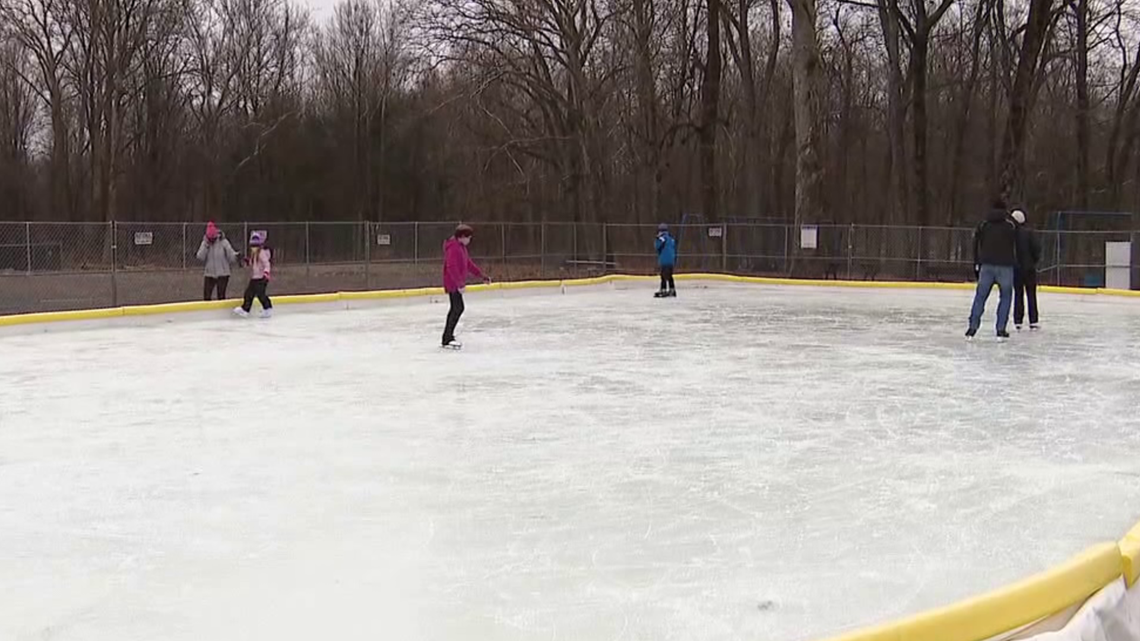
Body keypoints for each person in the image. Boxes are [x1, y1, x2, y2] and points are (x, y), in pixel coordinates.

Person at [966, 203, 1019, 339]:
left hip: (987, 264)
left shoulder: (984, 225)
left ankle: (973, 326)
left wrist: (977, 262)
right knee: (1005, 297)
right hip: (1005, 265)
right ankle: (1001, 328)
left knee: (980, 297)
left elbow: (977, 244)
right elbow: (1016, 244)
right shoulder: (1010, 226)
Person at [442, 224, 490, 349]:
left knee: (457, 308)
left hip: (456, 283)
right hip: (452, 283)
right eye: (468, 237)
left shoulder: (461, 247)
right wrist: (459, 284)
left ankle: (447, 337)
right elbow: (451, 267)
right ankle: (447, 338)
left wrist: (481, 276)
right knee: (457, 308)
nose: (470, 240)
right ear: (462, 237)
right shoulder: (453, 248)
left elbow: (468, 264)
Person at [1011, 209, 1042, 330]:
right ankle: (1033, 320)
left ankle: (1018, 319)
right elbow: (1036, 249)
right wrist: (1033, 261)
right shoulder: (1030, 233)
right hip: (1029, 268)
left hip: (1016, 268)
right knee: (1031, 294)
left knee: (1018, 294)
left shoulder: (1012, 234)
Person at [233, 231, 273, 318]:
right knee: (248, 293)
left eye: (255, 246)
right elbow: (251, 263)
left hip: (262, 278)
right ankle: (245, 309)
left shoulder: (262, 253)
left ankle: (268, 308)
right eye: (252, 246)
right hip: (255, 277)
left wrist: (266, 273)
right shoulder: (254, 254)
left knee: (260, 294)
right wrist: (244, 260)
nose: (253, 248)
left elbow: (267, 264)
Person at [196, 221, 238, 301]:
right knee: (207, 296)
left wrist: (236, 257)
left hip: (223, 272)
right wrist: (206, 246)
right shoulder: (205, 243)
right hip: (209, 273)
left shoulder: (223, 242)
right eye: (210, 239)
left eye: (213, 238)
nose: (212, 240)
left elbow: (230, 253)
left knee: (221, 295)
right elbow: (200, 257)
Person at [654, 223, 677, 298]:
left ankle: (663, 289)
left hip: (664, 260)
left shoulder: (661, 238)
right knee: (670, 275)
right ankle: (672, 289)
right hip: (671, 260)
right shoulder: (671, 239)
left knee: (663, 276)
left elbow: (657, 247)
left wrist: (657, 239)